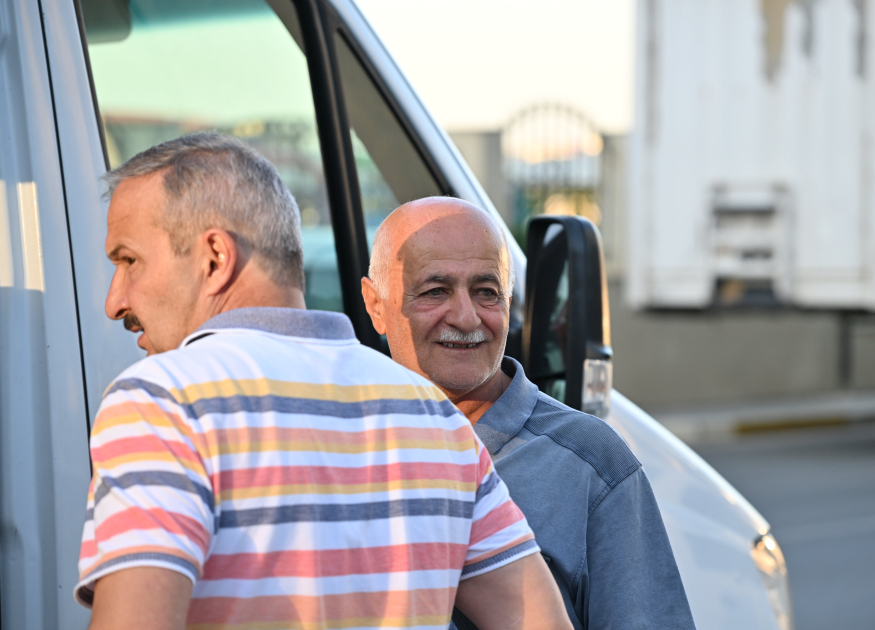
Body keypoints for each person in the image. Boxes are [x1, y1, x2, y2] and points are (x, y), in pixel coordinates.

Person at [76, 133, 573, 630]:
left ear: (214, 258)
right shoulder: (435, 416)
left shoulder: (160, 401)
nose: (115, 300)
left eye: (128, 261)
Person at [361, 197, 697, 630]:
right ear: (375, 305)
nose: (466, 318)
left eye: (486, 292)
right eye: (435, 291)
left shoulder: (589, 463)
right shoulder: (338, 447)